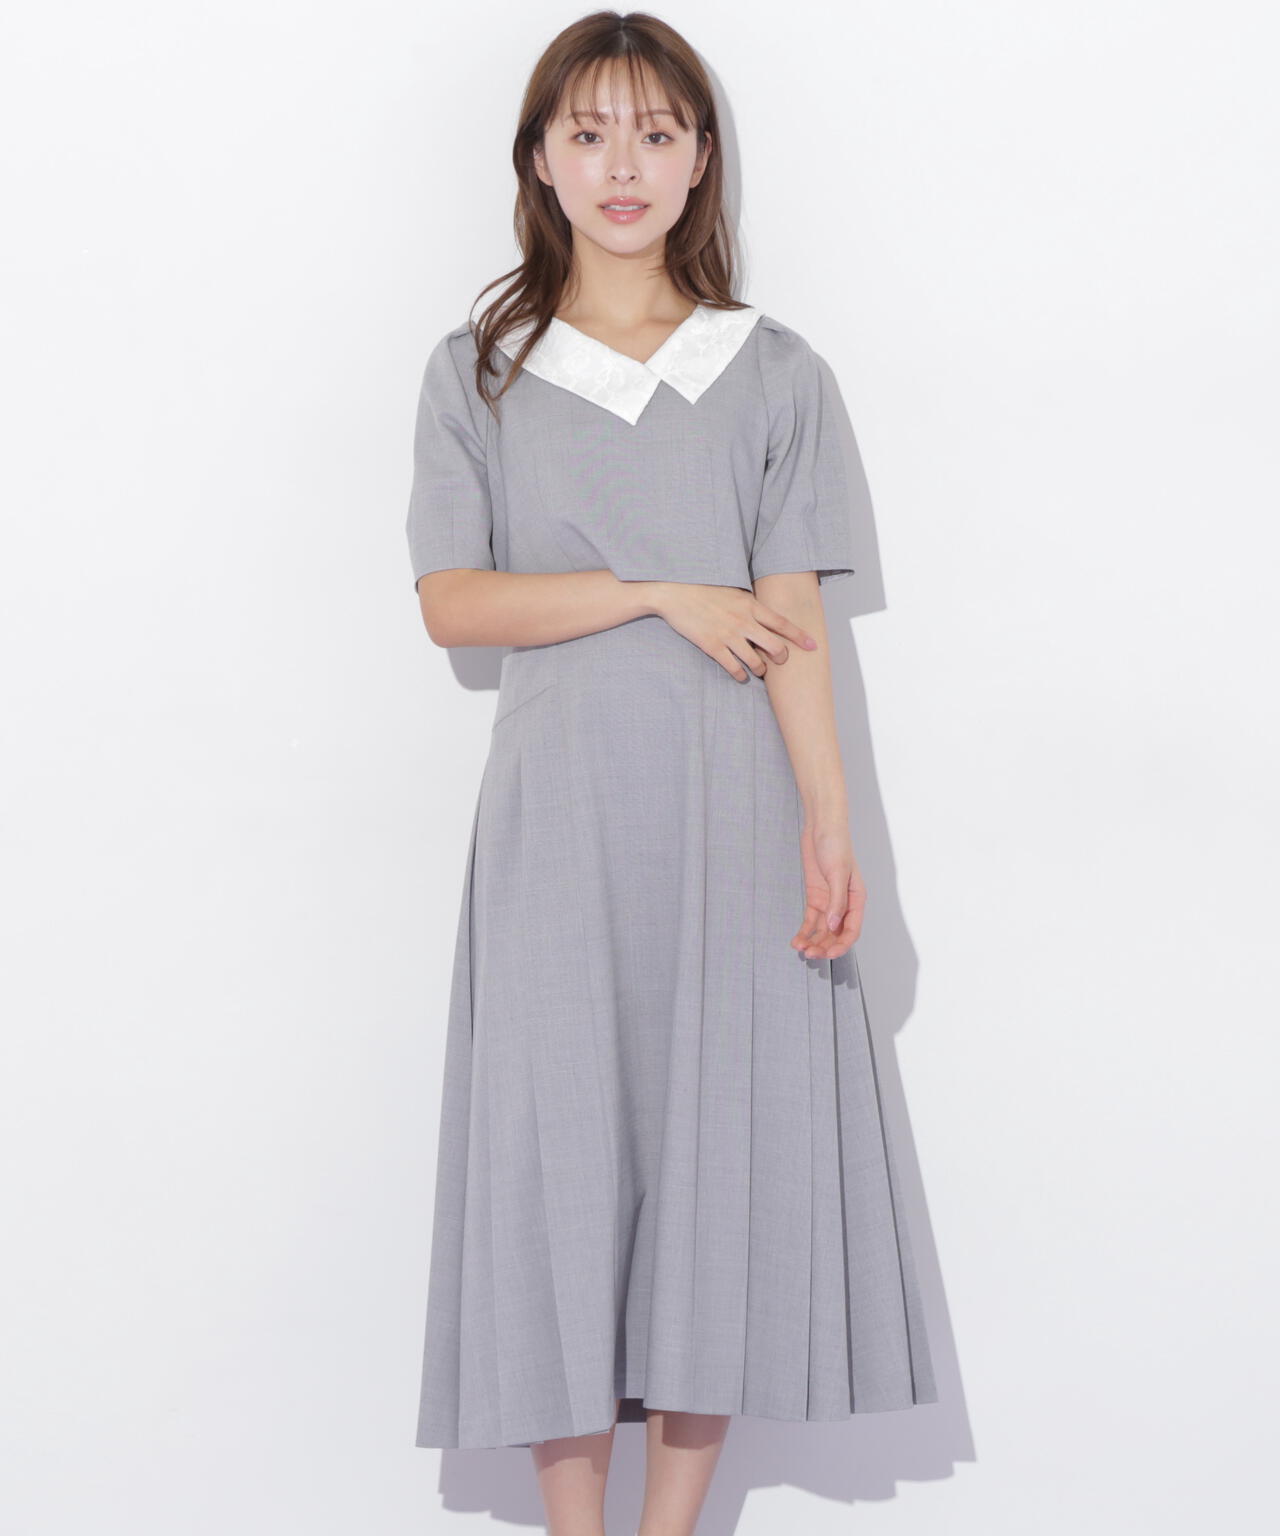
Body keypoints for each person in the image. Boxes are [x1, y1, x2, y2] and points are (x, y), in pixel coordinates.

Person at [405, 12, 936, 1534]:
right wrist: (656, 593)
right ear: (540, 161)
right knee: (559, 1155)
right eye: (588, 133)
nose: (622, 164)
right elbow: (455, 604)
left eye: (655, 131)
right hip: (561, 823)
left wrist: (831, 825)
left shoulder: (773, 373)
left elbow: (795, 617)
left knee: (721, 1152)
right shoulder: (480, 371)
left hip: (737, 815)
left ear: (702, 158)